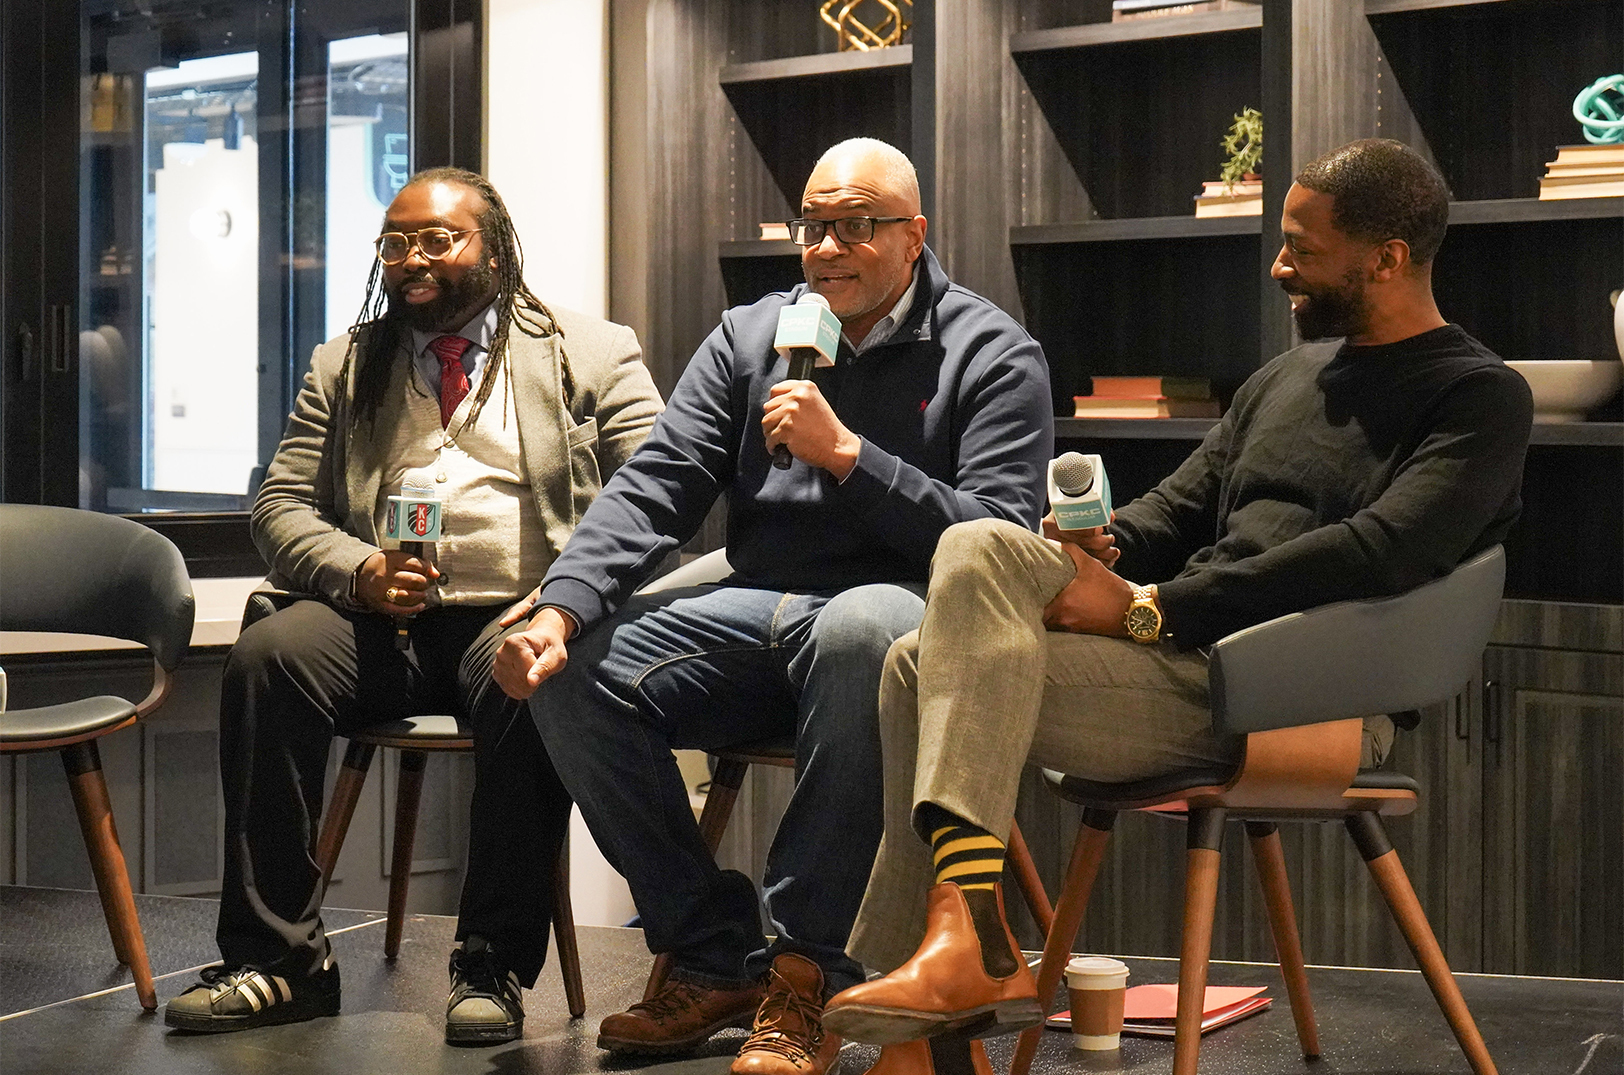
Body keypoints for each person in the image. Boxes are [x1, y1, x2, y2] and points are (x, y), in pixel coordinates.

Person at [819, 138, 1533, 1074]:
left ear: (1387, 257)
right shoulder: (1287, 377)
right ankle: (958, 955)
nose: (1278, 265)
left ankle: (945, 998)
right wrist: (1092, 545)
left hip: (1302, 699)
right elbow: (1178, 508)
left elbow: (1383, 550)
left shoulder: (1477, 396)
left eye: (1301, 249)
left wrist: (1149, 608)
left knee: (925, 658)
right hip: (1188, 666)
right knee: (972, 555)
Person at [488, 137, 1054, 1075]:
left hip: (903, 617)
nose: (827, 248)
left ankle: (807, 971)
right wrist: (560, 607)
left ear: (915, 236)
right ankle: (712, 952)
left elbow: (994, 540)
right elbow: (656, 485)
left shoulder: (991, 352)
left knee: (859, 628)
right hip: (758, 608)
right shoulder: (754, 336)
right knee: (573, 670)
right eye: (815, 226)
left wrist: (851, 459)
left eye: (856, 227)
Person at [163, 168, 663, 1043]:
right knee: (268, 656)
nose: (411, 260)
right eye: (396, 243)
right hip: (377, 619)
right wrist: (358, 569)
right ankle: (278, 962)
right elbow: (278, 508)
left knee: (526, 675)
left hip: (518, 609)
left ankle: (492, 965)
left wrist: (565, 601)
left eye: (439, 240)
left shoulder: (591, 351)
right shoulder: (347, 361)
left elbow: (657, 491)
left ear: (495, 249)